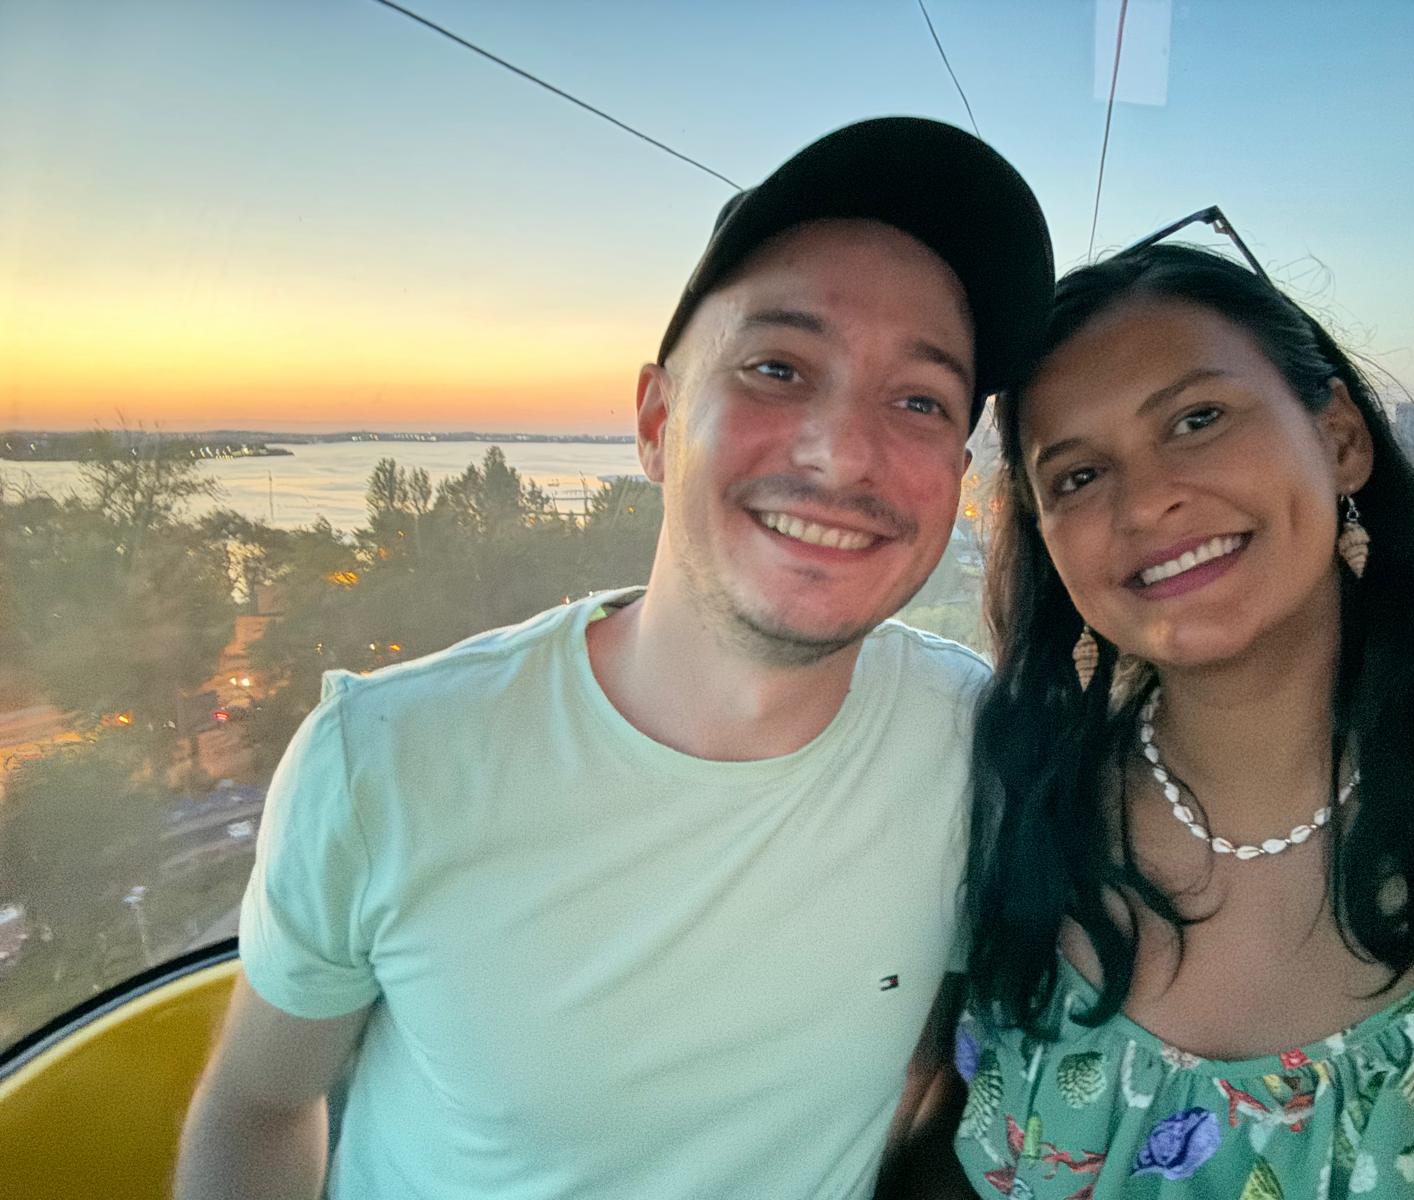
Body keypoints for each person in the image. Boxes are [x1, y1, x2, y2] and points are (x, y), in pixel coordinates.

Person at [174, 116, 1054, 1200]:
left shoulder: (975, 745)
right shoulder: (387, 760)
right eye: (778, 368)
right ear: (654, 419)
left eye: (918, 401)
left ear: (955, 471)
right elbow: (261, 1104)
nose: (841, 453)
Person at [946, 228, 1414, 1197]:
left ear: (1338, 439)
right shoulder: (1016, 813)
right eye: (1077, 475)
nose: (1149, 500)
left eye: (1197, 419)